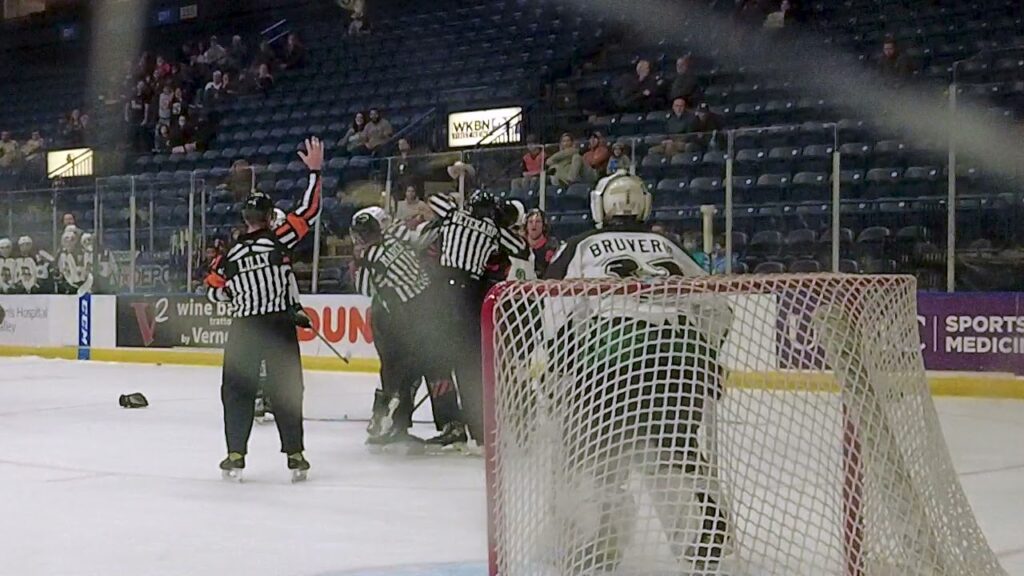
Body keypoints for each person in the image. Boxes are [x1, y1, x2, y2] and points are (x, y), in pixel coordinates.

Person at [543, 171, 734, 572]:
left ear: (600, 205)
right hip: (681, 357)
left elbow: (557, 309)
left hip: (611, 358)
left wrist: (560, 370)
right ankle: (705, 544)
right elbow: (718, 309)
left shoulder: (580, 244)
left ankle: (598, 544)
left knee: (592, 458)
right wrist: (705, 357)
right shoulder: (667, 245)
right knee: (673, 452)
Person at [205, 137, 323, 482]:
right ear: (270, 217)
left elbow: (212, 292)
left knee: (237, 391)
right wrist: (315, 172)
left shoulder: (228, 256)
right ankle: (296, 454)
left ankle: (235, 453)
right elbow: (310, 211)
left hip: (244, 329)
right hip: (278, 326)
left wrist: (236, 297)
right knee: (286, 387)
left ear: (245, 218)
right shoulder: (279, 239)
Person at [426, 190, 527, 447]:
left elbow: (433, 198)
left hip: (443, 290)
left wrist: (456, 203)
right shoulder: (493, 230)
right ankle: (481, 431)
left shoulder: (454, 215)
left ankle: (451, 425)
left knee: (437, 360)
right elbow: (521, 249)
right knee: (470, 366)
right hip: (471, 295)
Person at [351, 207, 457, 450]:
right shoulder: (393, 239)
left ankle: (389, 425)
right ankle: (449, 424)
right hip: (430, 306)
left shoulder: (370, 259)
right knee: (430, 367)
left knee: (398, 371)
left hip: (411, 316)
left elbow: (366, 289)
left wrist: (357, 262)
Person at [524, 208, 560, 278]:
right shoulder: (520, 246)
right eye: (530, 222)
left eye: (538, 221)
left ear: (543, 225)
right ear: (526, 226)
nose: (534, 225)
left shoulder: (552, 246)